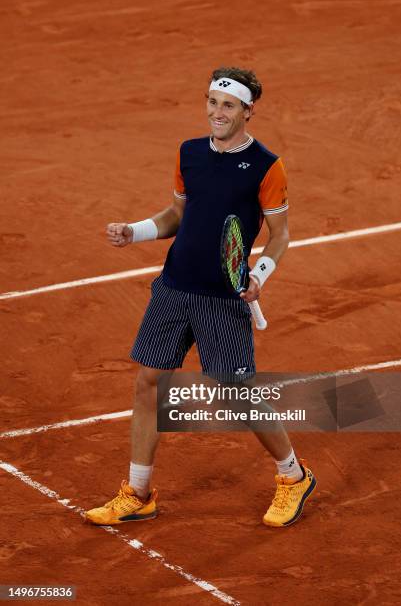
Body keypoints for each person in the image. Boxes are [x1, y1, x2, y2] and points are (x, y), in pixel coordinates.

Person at [85, 67, 316, 528]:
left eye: (228, 105)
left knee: (237, 392)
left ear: (248, 111)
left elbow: (280, 235)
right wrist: (135, 232)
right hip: (173, 287)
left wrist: (261, 273)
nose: (217, 112)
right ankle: (138, 492)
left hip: (222, 298)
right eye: (212, 102)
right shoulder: (188, 153)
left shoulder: (267, 166)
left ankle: (294, 476)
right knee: (149, 382)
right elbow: (177, 216)